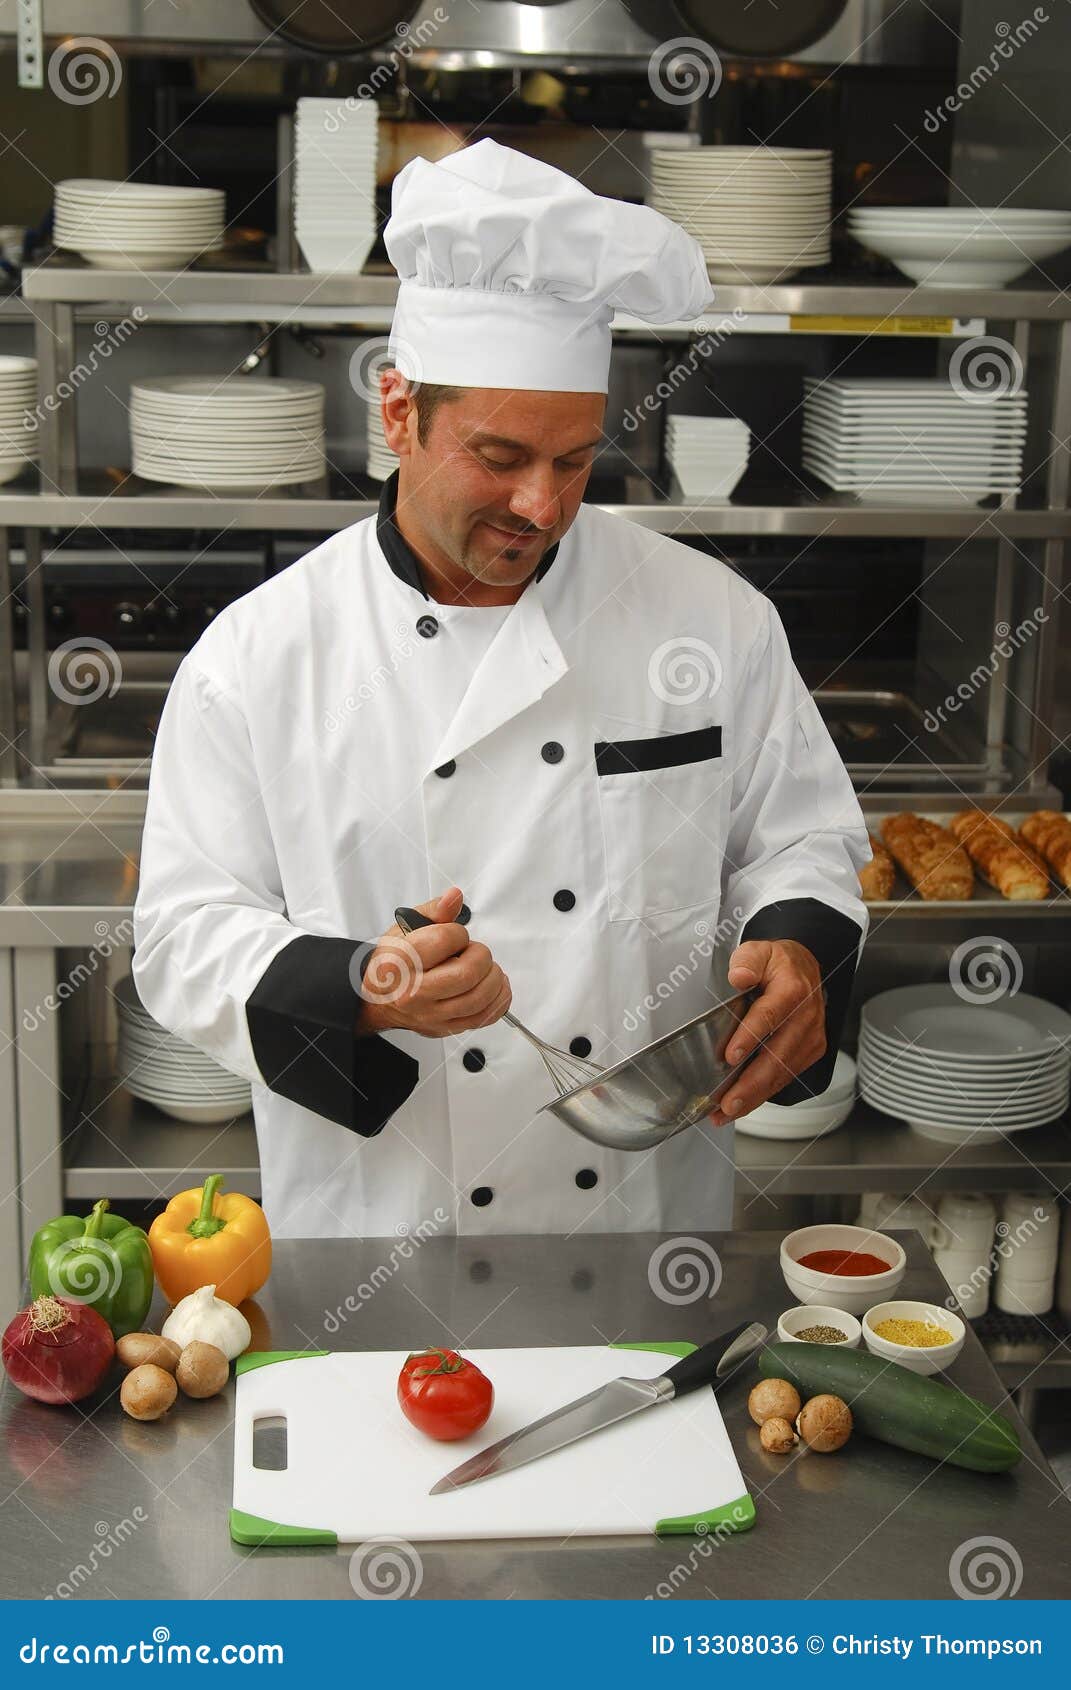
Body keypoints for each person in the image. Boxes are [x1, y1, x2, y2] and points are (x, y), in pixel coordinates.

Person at [132, 139, 868, 1239]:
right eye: (500, 455)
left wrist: (798, 942)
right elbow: (183, 933)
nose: (541, 506)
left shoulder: (709, 619)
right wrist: (362, 984)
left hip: (640, 1221)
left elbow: (802, 839)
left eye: (573, 461)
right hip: (386, 1226)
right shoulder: (259, 656)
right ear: (398, 412)